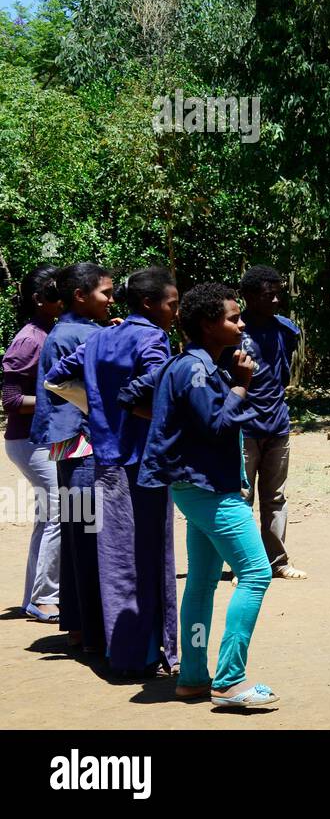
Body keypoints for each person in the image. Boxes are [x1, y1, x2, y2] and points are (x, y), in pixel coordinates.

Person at [138, 283, 278, 708]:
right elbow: (217, 425)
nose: (240, 324)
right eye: (233, 318)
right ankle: (230, 679)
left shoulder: (189, 365)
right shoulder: (196, 369)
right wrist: (241, 384)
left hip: (193, 486)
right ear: (207, 324)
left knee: (200, 584)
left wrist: (174, 422)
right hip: (208, 491)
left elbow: (132, 396)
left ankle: (194, 676)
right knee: (256, 574)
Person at [47, 267, 179, 677]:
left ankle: (122, 653)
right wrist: (138, 409)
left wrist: (100, 407)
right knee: (153, 557)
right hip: (145, 461)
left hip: (106, 460)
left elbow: (55, 378)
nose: (176, 312)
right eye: (172, 304)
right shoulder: (152, 337)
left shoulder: (100, 337)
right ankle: (161, 651)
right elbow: (158, 381)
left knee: (117, 558)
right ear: (149, 303)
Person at [32, 263, 114, 649]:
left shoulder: (63, 332)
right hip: (83, 443)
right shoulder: (80, 334)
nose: (111, 299)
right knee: (89, 534)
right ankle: (94, 629)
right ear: (80, 296)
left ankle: (80, 623)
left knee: (76, 531)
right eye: (105, 293)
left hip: (66, 444)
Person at [235, 265, 305, 580]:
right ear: (249, 296)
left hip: (277, 426)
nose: (276, 300)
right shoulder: (234, 332)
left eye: (278, 293)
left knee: (275, 497)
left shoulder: (287, 330)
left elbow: (282, 373)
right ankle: (243, 565)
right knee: (241, 498)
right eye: (268, 294)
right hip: (243, 429)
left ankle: (277, 562)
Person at [2, 265, 63, 622]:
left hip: (41, 439)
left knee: (50, 516)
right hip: (27, 440)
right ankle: (44, 598)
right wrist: (60, 398)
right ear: (39, 299)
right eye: (58, 291)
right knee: (59, 512)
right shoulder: (29, 338)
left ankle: (36, 596)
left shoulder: (48, 331)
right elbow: (10, 400)